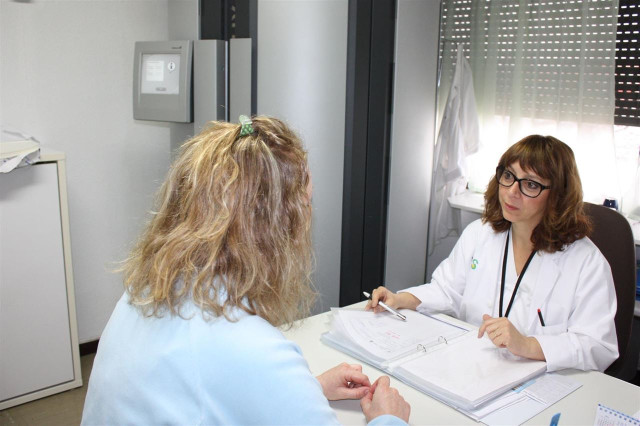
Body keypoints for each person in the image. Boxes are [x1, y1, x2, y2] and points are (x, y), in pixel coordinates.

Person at [82, 116, 410, 425]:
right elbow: (233, 368)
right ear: (276, 227)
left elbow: (196, 388)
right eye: (306, 204)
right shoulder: (250, 347)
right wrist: (388, 417)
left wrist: (307, 389)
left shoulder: (142, 295)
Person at [366, 135, 618, 373]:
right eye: (508, 176)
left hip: (542, 380)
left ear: (558, 196)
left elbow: (598, 346)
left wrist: (528, 345)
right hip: (476, 367)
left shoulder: (586, 262)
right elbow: (446, 290)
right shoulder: (480, 234)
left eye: (530, 184)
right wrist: (399, 299)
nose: (512, 191)